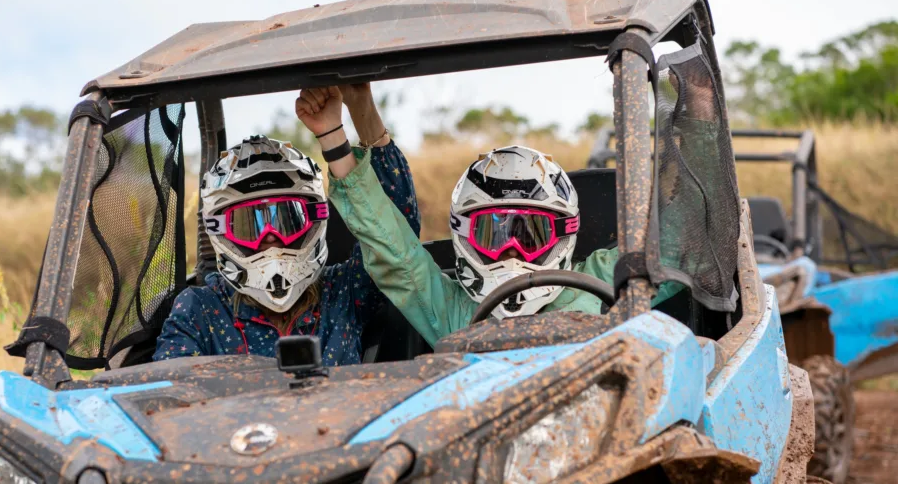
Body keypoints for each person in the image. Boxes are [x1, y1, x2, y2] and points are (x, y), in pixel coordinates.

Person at [321, 140, 680, 349]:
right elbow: (395, 253)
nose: (511, 251)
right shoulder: (454, 312)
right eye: (493, 233)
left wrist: (699, 107)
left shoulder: (606, 279)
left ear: (564, 233)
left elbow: (684, 247)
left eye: (530, 235)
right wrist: (333, 140)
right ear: (465, 235)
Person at [153, 84, 419, 363]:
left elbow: (398, 236)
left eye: (287, 219)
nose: (270, 237)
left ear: (314, 218)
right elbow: (168, 391)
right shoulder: (201, 310)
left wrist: (350, 113)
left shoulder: (342, 291)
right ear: (220, 232)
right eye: (249, 225)